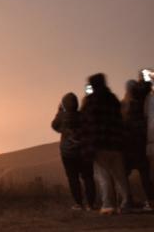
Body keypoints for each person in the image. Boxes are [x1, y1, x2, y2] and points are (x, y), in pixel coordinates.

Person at [81, 73, 131, 214]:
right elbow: (120, 120)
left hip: (99, 144)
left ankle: (108, 205)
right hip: (116, 143)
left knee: (103, 177)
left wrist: (87, 145)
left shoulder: (90, 101)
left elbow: (86, 124)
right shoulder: (113, 99)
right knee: (120, 176)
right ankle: (126, 203)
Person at [51, 92, 96, 210]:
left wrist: (59, 111)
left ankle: (78, 203)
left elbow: (54, 126)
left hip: (68, 153)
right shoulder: (82, 115)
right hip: (83, 151)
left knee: (73, 178)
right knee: (88, 177)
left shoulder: (62, 116)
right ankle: (91, 204)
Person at [120, 79, 154, 209]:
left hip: (128, 145)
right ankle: (151, 200)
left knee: (123, 174)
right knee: (145, 175)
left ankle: (126, 200)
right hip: (141, 143)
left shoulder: (123, 104)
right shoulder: (142, 104)